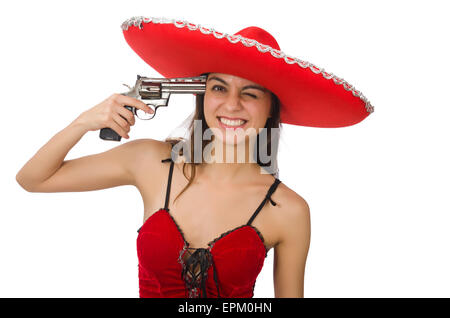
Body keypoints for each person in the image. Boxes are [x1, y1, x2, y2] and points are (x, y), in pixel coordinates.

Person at [16, 16, 374, 298]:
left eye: (250, 93)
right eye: (219, 87)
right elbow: (33, 179)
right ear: (201, 95)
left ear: (271, 109)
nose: (231, 104)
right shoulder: (150, 162)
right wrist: (83, 122)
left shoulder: (290, 210)